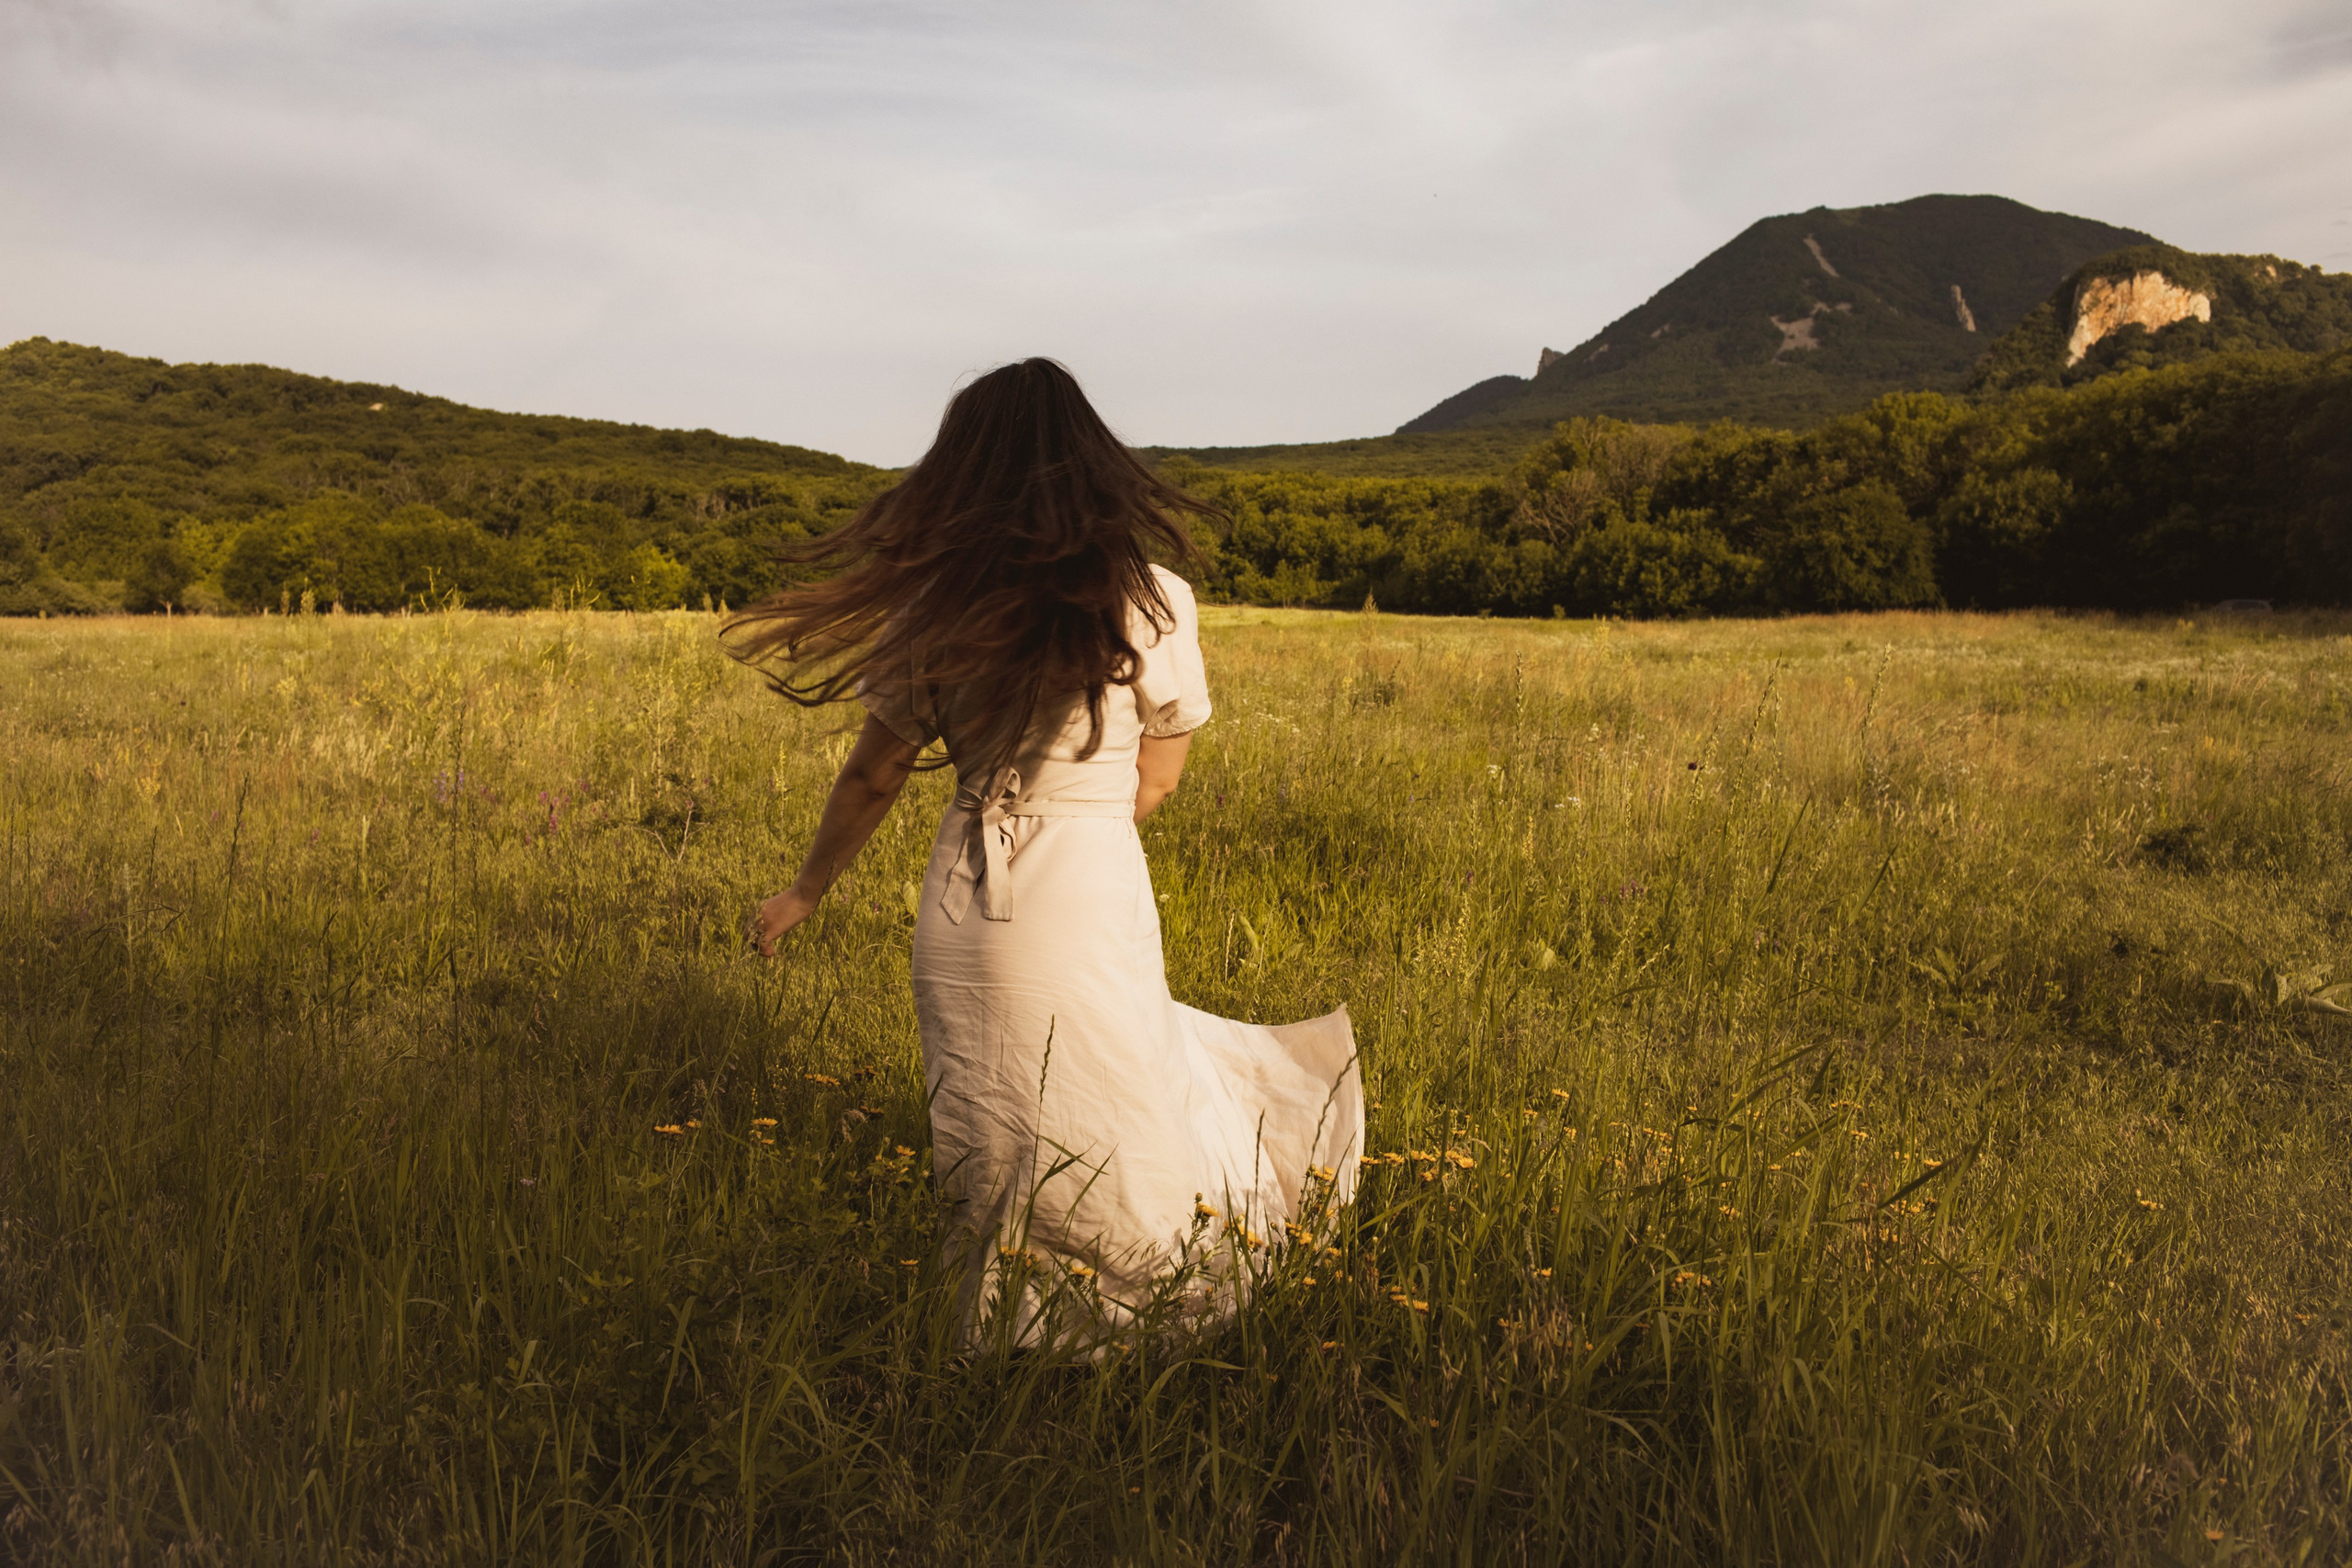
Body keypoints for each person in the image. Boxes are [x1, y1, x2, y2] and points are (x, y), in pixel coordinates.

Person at [725, 359, 1361, 1344]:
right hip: (1089, 882)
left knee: (991, 1115)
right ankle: (1137, 1303)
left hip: (964, 895)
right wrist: (1089, 837)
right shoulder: (1153, 599)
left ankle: (1002, 1320)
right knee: (1117, 1091)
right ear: (1093, 465)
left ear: (963, 471)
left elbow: (873, 777)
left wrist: (805, 891)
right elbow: (1161, 775)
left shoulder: (936, 603)